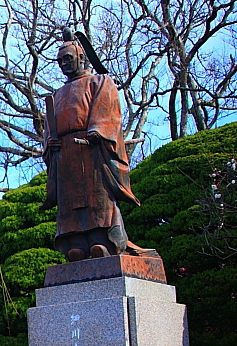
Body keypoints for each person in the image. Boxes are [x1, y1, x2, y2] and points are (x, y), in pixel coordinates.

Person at [42, 33, 154, 262]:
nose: (64, 64)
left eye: (67, 58)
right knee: (70, 203)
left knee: (97, 198)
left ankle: (101, 241)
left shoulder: (99, 82)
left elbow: (107, 111)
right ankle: (75, 244)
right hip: (65, 155)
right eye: (60, 60)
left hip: (92, 149)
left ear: (81, 57)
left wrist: (97, 130)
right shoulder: (57, 95)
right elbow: (49, 127)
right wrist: (50, 143)